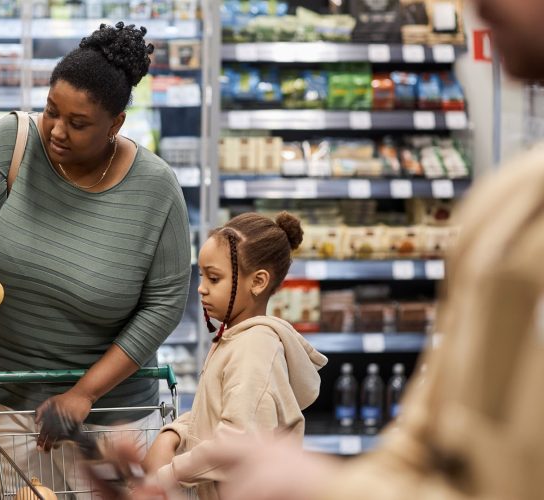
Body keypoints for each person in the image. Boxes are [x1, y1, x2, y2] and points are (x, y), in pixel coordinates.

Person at [90, 1, 544, 499]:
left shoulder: (256, 345)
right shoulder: (502, 211)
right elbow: (427, 449)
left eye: (214, 277)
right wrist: (180, 440)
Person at [0, 22, 191, 494]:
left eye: (78, 124)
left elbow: (164, 304)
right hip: (9, 409)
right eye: (52, 111)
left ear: (115, 124)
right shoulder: (12, 142)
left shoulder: (156, 189)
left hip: (113, 423)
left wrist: (84, 394)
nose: (56, 130)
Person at [139, 212, 327, 499]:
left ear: (259, 281)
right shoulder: (236, 338)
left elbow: (237, 441)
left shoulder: (255, 348)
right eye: (202, 275)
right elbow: (219, 412)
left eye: (214, 278)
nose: (201, 288)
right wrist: (175, 433)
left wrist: (168, 475)